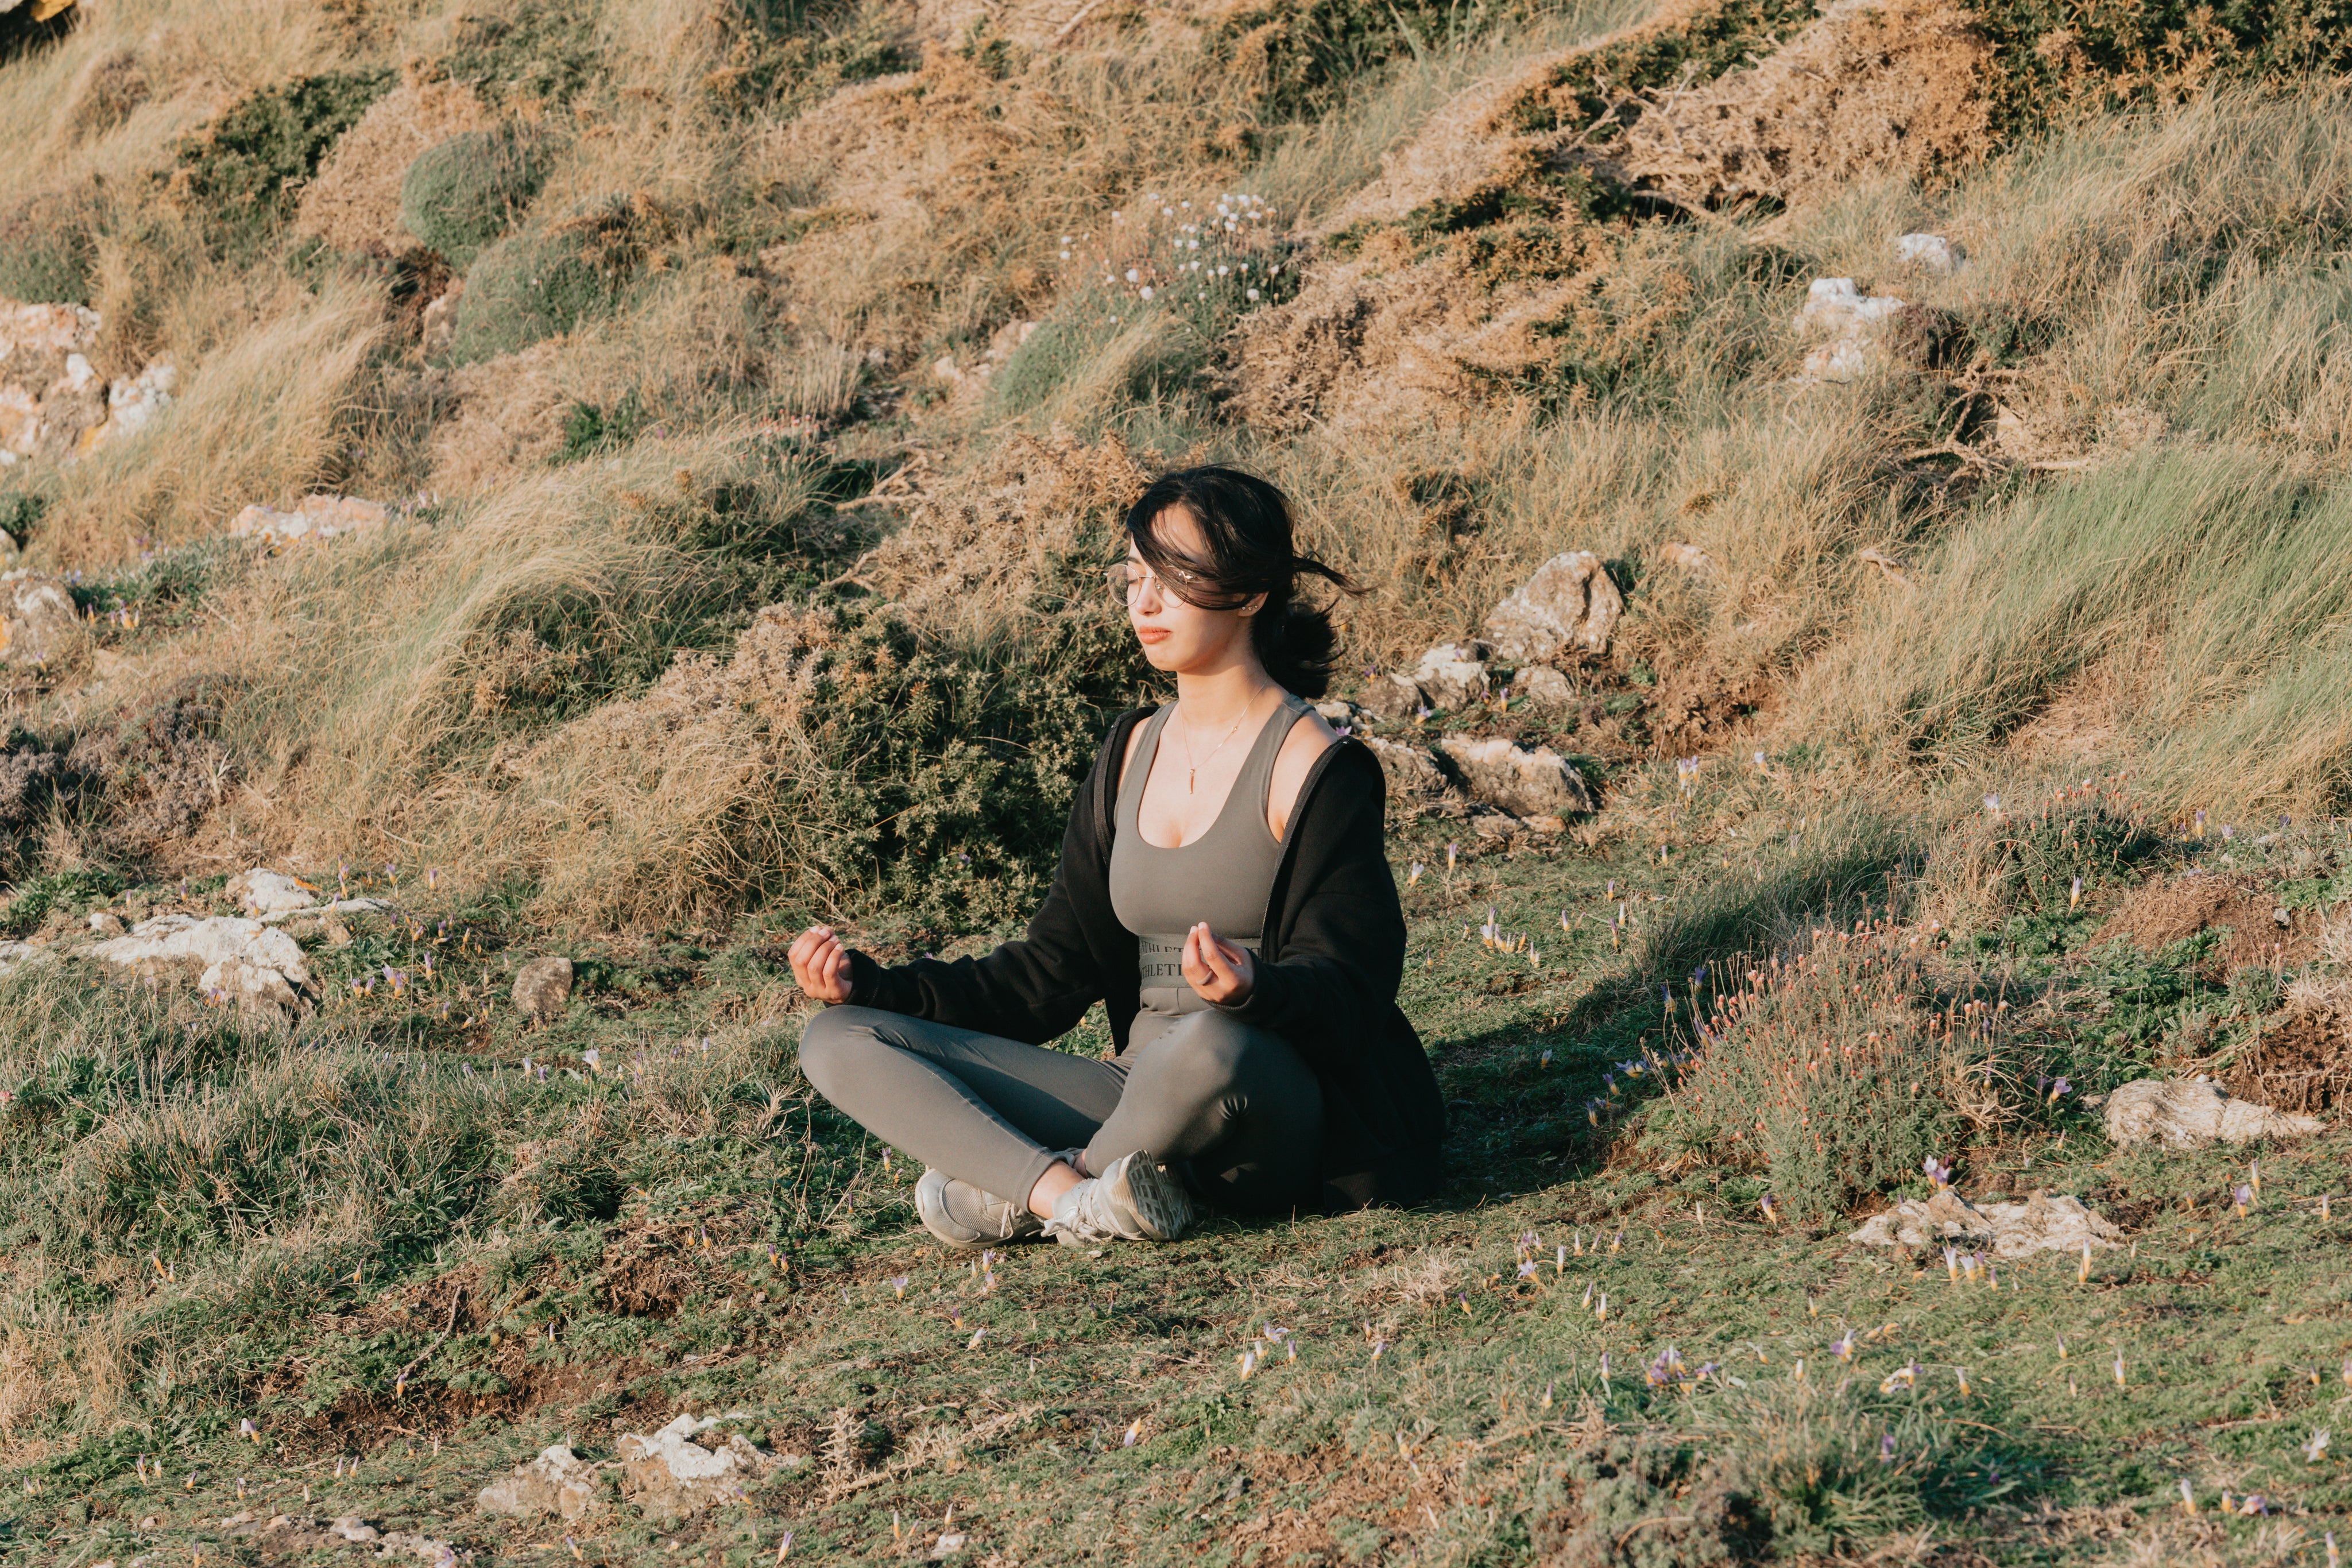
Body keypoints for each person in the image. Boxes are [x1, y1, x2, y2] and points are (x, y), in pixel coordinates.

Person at [788, 465, 1444, 1248]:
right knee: (837, 1039)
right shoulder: (1131, 749)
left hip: (1263, 1100)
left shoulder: (1315, 765)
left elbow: (1355, 992)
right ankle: (1074, 1197)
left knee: (1206, 1043)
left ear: (1250, 593)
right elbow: (1045, 975)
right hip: (1133, 1093)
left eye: (1174, 577)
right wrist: (872, 985)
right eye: (1134, 577)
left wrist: (1253, 989)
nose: (1145, 602)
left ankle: (1022, 1195)